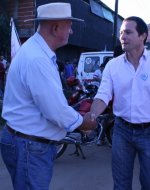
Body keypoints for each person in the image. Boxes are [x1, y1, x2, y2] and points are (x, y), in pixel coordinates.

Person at [0, 3, 95, 190]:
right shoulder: (37, 59)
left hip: (25, 142)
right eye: (69, 25)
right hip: (29, 146)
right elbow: (56, 111)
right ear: (55, 28)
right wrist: (84, 122)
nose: (72, 31)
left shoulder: (36, 52)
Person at [86, 16, 150, 190]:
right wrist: (92, 114)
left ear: (143, 35)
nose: (122, 37)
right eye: (121, 33)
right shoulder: (113, 66)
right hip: (121, 131)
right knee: (121, 184)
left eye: (128, 32)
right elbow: (103, 94)